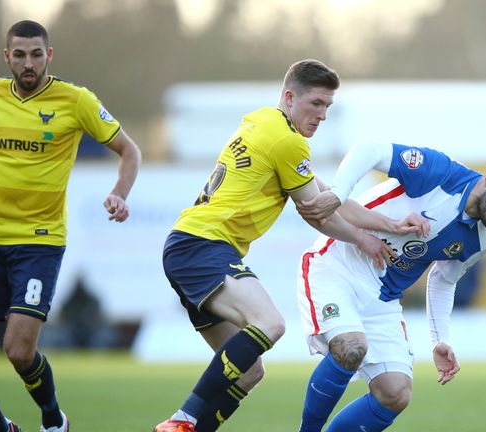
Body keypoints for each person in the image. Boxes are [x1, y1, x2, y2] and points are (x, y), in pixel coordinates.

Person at [153, 60, 412, 432]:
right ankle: (183, 419)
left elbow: (328, 197)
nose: (322, 115)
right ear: (290, 97)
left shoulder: (264, 122)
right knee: (270, 324)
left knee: (248, 373)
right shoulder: (287, 141)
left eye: (328, 107)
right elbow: (318, 214)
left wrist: (387, 224)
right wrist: (362, 240)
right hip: (202, 245)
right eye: (315, 104)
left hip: (188, 248)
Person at [0, 20, 141, 432]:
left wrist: (120, 192)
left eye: (36, 54)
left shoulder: (76, 100)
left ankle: (53, 420)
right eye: (19, 55)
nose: (28, 63)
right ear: (7, 57)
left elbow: (129, 150)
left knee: (18, 351)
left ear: (49, 55)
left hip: (40, 243)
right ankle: (0, 425)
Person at [295, 143, 486, 432]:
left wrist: (440, 338)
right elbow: (370, 150)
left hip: (382, 298)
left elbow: (443, 280)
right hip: (338, 264)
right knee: (351, 348)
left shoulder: (483, 240)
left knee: (395, 394)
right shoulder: (440, 173)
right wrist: (338, 194)